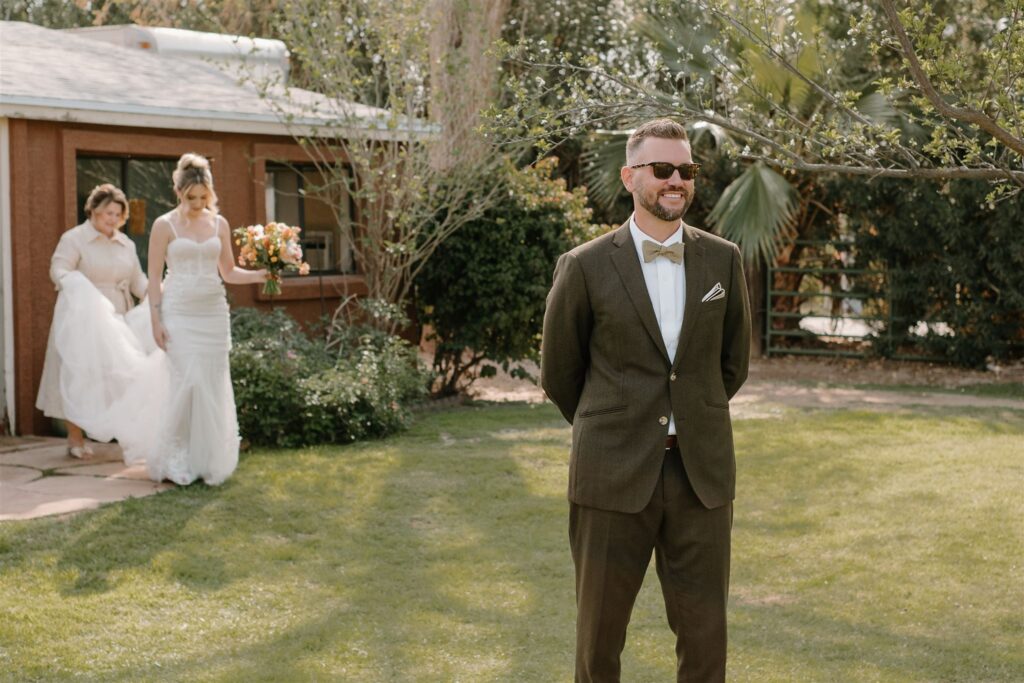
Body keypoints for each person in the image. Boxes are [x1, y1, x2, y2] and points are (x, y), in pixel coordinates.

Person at [541, 118, 751, 682]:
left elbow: (732, 365)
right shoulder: (584, 265)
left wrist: (689, 416)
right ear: (630, 176)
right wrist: (614, 423)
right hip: (610, 474)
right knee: (599, 641)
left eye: (686, 169)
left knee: (706, 640)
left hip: (700, 476)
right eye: (662, 169)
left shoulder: (723, 259)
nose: (675, 180)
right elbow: (560, 372)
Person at [143, 153, 267, 485]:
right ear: (178, 192)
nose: (198, 204)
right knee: (188, 382)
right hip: (179, 312)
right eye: (191, 198)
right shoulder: (164, 225)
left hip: (212, 313)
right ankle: (176, 459)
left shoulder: (219, 224)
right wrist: (155, 320)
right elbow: (153, 277)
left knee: (210, 384)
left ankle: (207, 459)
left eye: (203, 197)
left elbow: (228, 271)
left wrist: (261, 275)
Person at [36, 184, 147, 458]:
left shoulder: (126, 244)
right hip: (82, 315)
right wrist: (74, 284)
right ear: (94, 211)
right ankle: (75, 438)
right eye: (108, 213)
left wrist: (156, 294)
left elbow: (138, 280)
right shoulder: (74, 239)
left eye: (118, 214)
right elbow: (58, 268)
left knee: (118, 375)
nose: (113, 219)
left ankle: (120, 433)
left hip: (118, 315)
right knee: (80, 374)